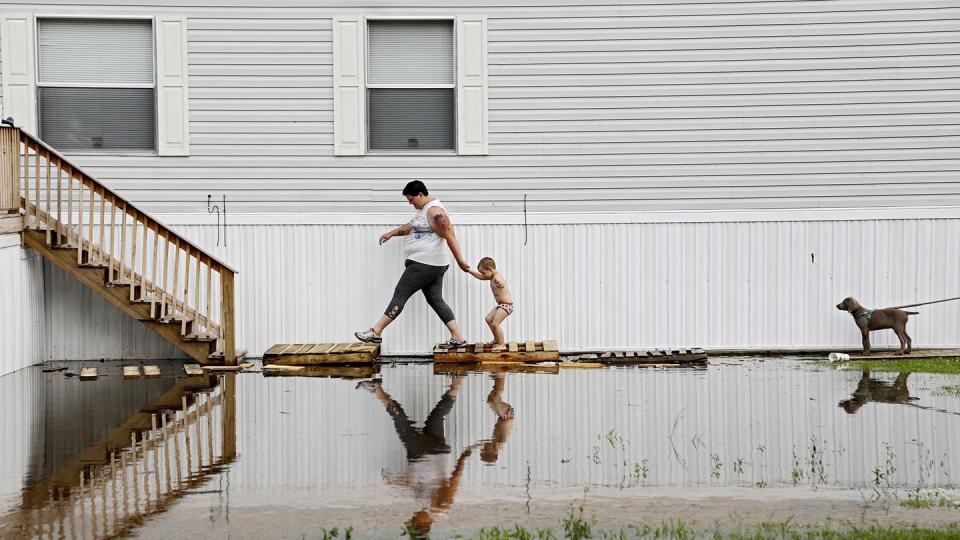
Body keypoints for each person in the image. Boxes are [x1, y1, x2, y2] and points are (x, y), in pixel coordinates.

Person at [355, 180, 470, 349]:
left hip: (425, 262)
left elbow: (450, 235)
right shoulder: (424, 211)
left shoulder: (435, 211)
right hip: (434, 263)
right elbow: (412, 226)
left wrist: (460, 261)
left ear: (420, 194)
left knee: (400, 293)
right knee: (436, 299)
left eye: (411, 199)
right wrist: (391, 233)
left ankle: (376, 331)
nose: (410, 203)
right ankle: (458, 337)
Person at [466, 257, 514, 346]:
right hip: (501, 305)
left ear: (490, 269)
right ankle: (496, 339)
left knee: (495, 323)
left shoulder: (496, 277)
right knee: (488, 319)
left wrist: (501, 284)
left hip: (507, 305)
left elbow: (501, 282)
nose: (483, 275)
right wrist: (470, 271)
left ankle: (501, 345)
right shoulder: (491, 276)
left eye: (483, 273)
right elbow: (480, 277)